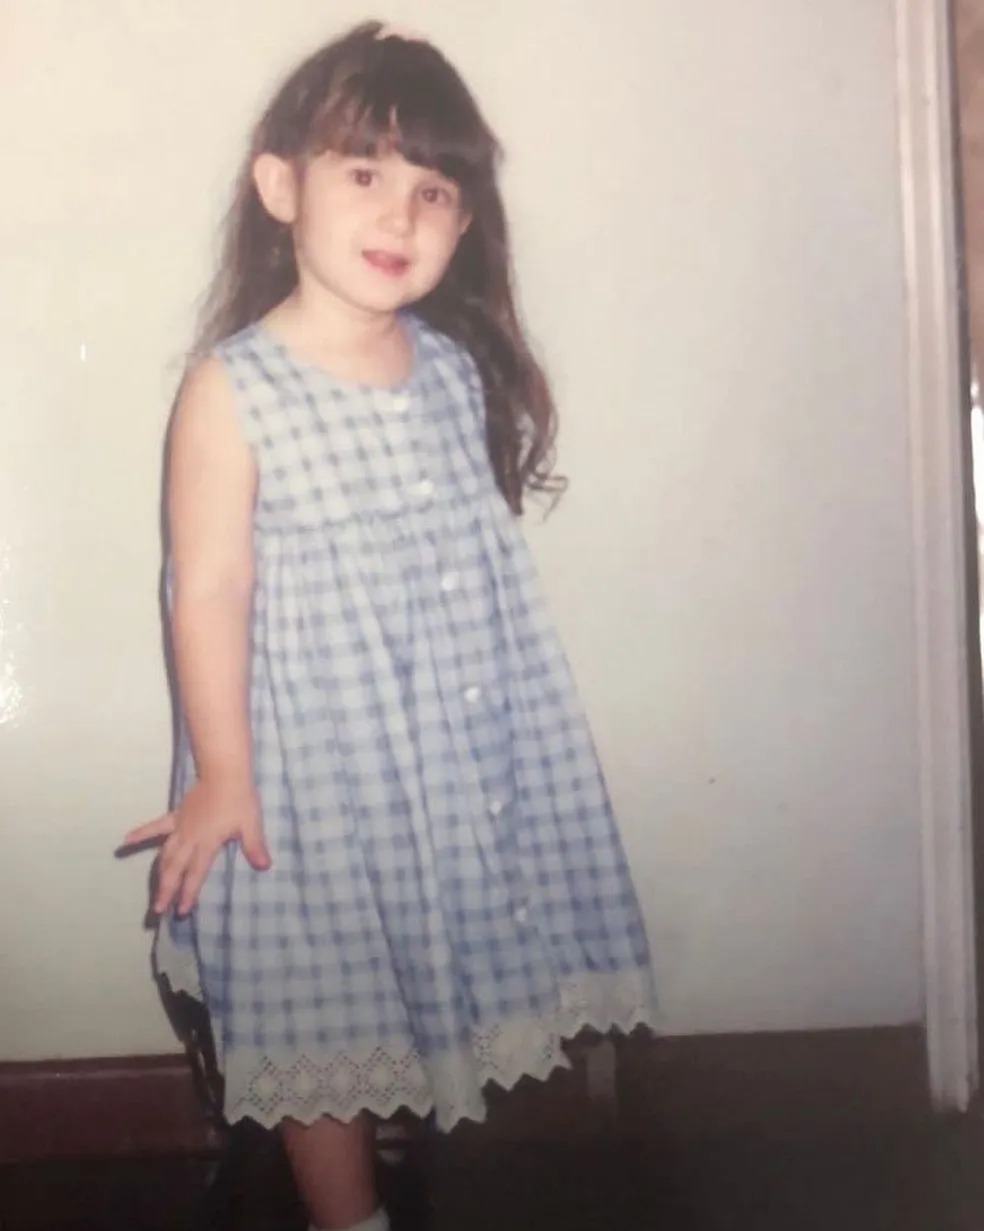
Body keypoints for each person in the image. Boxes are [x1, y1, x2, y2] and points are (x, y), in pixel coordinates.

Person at [120, 19, 657, 1231]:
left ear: (464, 224)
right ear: (280, 189)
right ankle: (348, 1215)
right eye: (363, 172)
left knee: (416, 964)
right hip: (307, 769)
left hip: (444, 754)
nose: (398, 214)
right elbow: (207, 587)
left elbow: (469, 576)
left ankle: (402, 1134)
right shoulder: (234, 387)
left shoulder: (450, 371)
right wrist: (222, 774)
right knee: (323, 1005)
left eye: (433, 190)